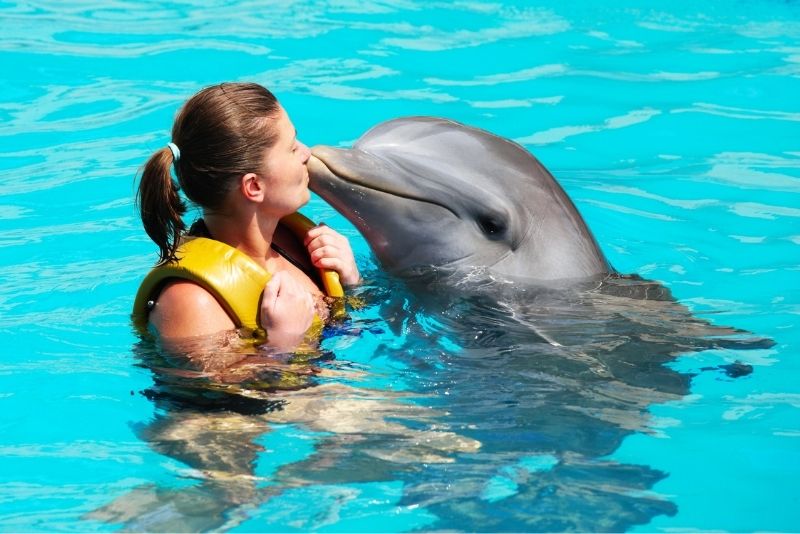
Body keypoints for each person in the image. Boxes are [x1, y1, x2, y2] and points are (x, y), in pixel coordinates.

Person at [133, 82, 360, 352]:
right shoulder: (190, 302)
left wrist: (353, 283)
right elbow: (209, 394)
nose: (306, 152)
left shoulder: (295, 245)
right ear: (254, 186)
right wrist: (282, 342)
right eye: (291, 148)